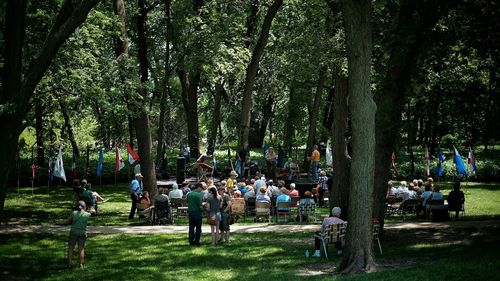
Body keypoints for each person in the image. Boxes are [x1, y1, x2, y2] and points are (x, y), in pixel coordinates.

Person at [66, 200, 91, 269]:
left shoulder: (73, 213)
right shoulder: (87, 215)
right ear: (84, 207)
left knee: (71, 248)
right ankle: (81, 264)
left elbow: (67, 221)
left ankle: (70, 264)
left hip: (73, 232)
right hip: (82, 233)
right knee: (81, 248)